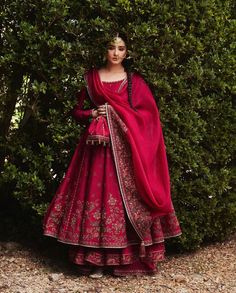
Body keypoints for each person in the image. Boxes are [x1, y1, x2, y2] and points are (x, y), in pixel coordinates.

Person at [43, 33, 181, 278]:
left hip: (126, 156)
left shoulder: (134, 82)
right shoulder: (91, 78)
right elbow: (76, 112)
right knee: (96, 198)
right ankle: (95, 260)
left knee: (123, 201)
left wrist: (116, 112)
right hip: (95, 152)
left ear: (127, 52)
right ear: (104, 50)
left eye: (121, 48)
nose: (116, 53)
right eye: (111, 48)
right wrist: (92, 114)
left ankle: (123, 261)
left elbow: (148, 116)